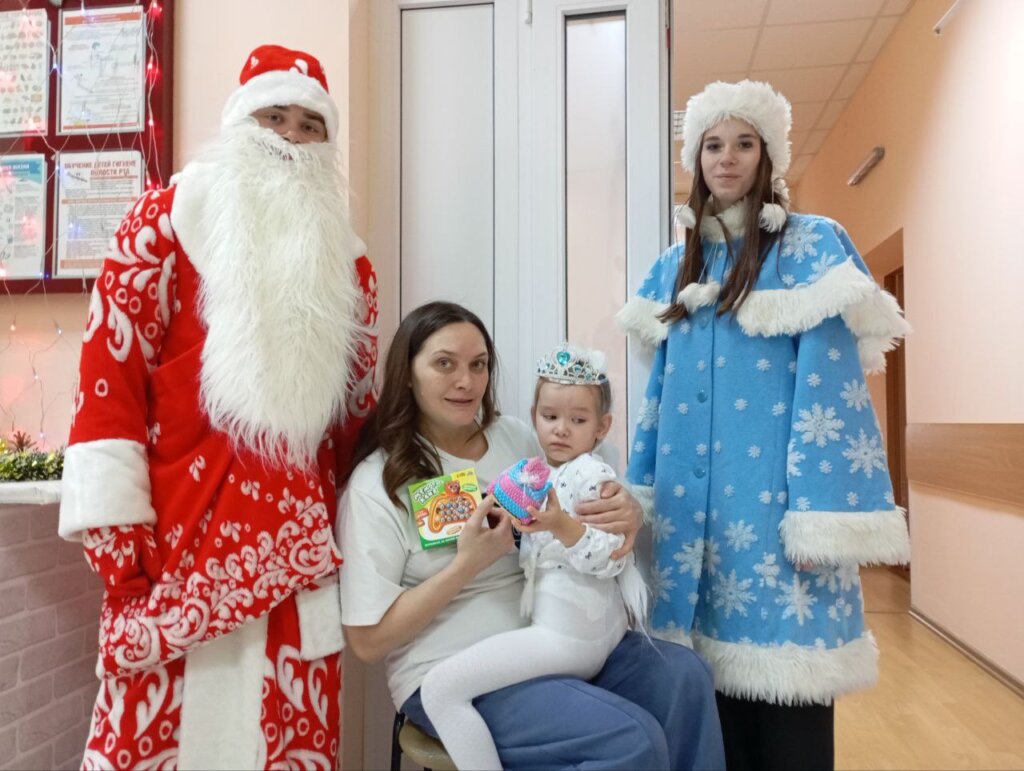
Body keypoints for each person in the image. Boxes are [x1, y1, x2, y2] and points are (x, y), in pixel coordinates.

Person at [57, 45, 377, 770]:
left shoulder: (351, 265)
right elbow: (109, 377)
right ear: (239, 123)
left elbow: (358, 423)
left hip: (296, 564)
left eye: (310, 126)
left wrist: (418, 514)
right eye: (274, 117)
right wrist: (118, 539)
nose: (291, 137)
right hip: (172, 548)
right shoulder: (163, 220)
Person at [616, 79, 912, 770]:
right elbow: (657, 398)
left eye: (744, 143)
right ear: (695, 159)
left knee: (789, 717)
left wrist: (820, 515)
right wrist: (642, 494)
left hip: (776, 521)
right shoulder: (676, 266)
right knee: (711, 713)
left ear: (768, 153)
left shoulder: (810, 247)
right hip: (694, 525)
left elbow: (832, 391)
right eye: (713, 145)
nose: (727, 158)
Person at [338, 302, 725, 770]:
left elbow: (585, 499)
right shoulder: (377, 484)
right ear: (407, 374)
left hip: (554, 639)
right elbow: (368, 641)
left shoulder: (517, 439)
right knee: (630, 740)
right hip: (457, 671)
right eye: (444, 364)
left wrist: (627, 511)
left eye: (478, 365)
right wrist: (466, 566)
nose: (466, 381)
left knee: (685, 676)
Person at [417, 343, 650, 770]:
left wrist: (561, 525)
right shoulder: (542, 471)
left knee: (439, 689)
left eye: (577, 420)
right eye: (550, 417)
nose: (561, 430)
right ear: (534, 416)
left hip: (569, 636)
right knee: (440, 688)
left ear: (602, 426)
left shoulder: (590, 474)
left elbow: (612, 556)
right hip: (580, 628)